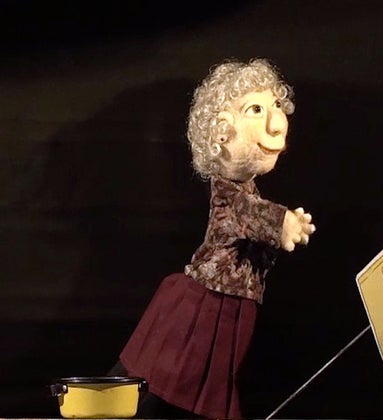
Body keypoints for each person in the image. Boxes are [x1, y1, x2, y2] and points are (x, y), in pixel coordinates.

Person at [111, 58, 316, 419]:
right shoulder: (229, 195)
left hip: (230, 307)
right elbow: (248, 213)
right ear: (222, 132)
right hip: (207, 305)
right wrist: (283, 223)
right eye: (256, 109)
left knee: (194, 385)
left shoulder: (246, 188)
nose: (275, 121)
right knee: (165, 378)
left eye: (274, 105)